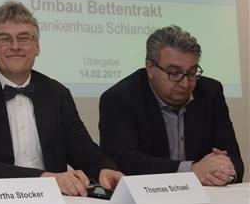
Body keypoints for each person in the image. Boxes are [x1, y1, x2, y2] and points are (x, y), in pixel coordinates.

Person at [0, 1, 122, 196]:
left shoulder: (57, 93)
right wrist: (44, 179)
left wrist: (103, 169)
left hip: (49, 201)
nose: (15, 46)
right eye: (4, 39)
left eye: (23, 38)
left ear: (37, 47)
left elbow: (82, 149)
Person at [99, 25, 243, 186]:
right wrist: (191, 170)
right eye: (174, 73)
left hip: (204, 195)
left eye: (192, 73)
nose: (185, 83)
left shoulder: (210, 93)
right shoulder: (120, 98)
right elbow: (124, 161)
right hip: (149, 195)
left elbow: (233, 159)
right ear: (150, 68)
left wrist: (224, 171)